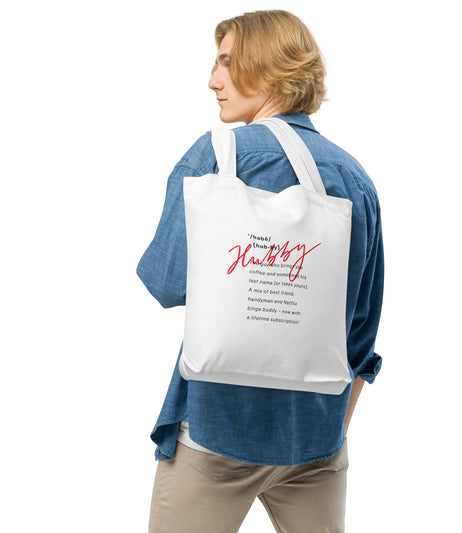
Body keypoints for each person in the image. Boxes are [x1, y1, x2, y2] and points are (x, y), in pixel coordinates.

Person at [136, 10, 384, 533]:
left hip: (216, 433)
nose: (212, 80)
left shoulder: (214, 157)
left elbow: (165, 282)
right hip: (316, 443)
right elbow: (361, 331)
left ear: (268, 66)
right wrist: (328, 428)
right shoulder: (355, 180)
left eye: (226, 62)